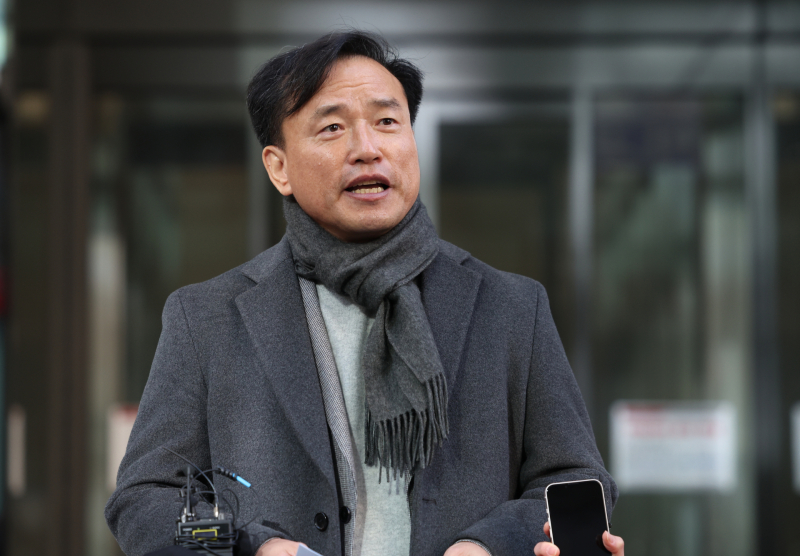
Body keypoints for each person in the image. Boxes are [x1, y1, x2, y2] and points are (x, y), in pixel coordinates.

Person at [106, 30, 625, 556]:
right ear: (279, 167)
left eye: (387, 122)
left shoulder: (511, 307)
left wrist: (487, 545)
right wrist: (252, 547)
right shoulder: (207, 318)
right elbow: (145, 500)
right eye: (332, 127)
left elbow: (576, 483)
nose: (367, 149)